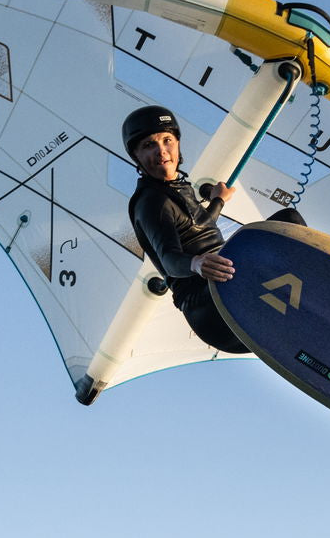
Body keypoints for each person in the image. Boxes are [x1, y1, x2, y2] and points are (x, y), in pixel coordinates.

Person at [124, 104, 306, 353]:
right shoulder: (151, 201)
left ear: (177, 143)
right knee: (289, 221)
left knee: (288, 221)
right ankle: (315, 295)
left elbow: (199, 225)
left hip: (230, 291)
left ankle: (299, 313)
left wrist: (218, 200)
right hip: (209, 308)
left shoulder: (177, 188)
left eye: (167, 140)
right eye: (148, 145)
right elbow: (169, 259)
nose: (161, 150)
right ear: (136, 157)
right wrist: (196, 263)